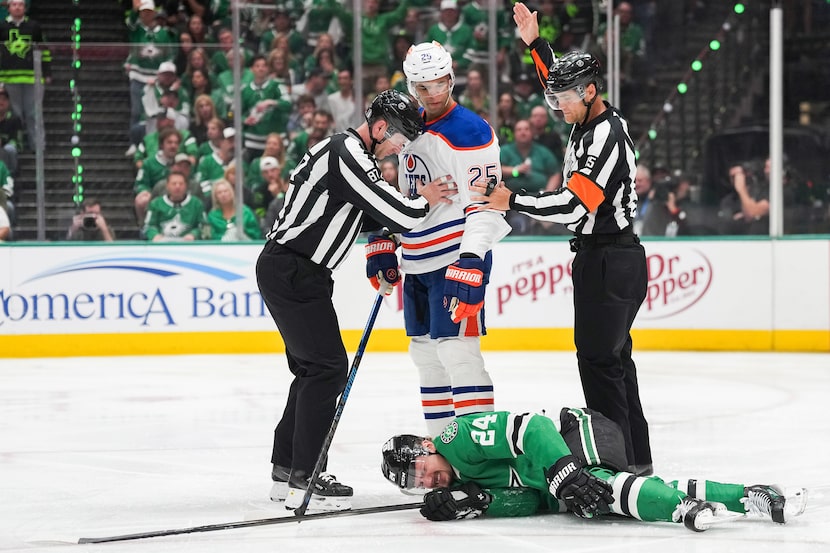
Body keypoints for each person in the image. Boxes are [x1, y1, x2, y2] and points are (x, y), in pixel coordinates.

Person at [472, 3, 653, 476]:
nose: (558, 107)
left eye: (564, 100)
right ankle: (636, 461)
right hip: (607, 258)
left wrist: (512, 199)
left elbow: (575, 206)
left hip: (610, 260)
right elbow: (557, 78)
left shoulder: (605, 137)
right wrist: (535, 43)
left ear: (590, 92)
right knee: (614, 362)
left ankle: (614, 466)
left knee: (599, 362)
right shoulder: (587, 117)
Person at [255, 90, 454, 513]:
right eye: (399, 139)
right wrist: (427, 198)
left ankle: (287, 470)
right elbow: (399, 213)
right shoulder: (346, 152)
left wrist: (383, 247)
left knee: (312, 370)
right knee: (326, 370)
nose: (400, 148)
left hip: (298, 272)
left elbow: (369, 214)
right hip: (292, 270)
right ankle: (305, 476)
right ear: (379, 127)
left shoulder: (351, 157)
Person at [380, 409, 808, 531]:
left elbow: (534, 427)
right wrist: (482, 504)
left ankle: (680, 509)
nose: (426, 481)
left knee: (595, 488)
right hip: (563, 462)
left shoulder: (457, 437)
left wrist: (565, 472)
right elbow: (536, 501)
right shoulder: (462, 480)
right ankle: (747, 495)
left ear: (426, 446)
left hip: (576, 430)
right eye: (416, 484)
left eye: (420, 469)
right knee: (598, 499)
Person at [389, 41, 511, 437]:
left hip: (454, 259)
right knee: (425, 357)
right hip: (416, 260)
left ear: (451, 78)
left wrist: (472, 259)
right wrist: (387, 238)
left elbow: (486, 204)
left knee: (459, 354)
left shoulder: (470, 131)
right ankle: (443, 447)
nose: (432, 94)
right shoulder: (408, 125)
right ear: (411, 86)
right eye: (422, 87)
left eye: (439, 83)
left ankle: (478, 452)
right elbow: (403, 191)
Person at [0, 0, 50, 151]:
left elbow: (44, 50)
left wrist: (47, 72)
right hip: (9, 77)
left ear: (25, 8)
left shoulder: (34, 27)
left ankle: (38, 146)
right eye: (14, 5)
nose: (17, 8)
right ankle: (16, 143)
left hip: (32, 77)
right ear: (9, 8)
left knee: (34, 113)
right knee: (14, 114)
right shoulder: (2, 27)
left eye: (20, 5)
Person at [142, 169, 205, 241]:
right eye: (174, 183)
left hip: (189, 244)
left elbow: (205, 227)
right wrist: (154, 235)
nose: (177, 186)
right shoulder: (155, 204)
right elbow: (148, 226)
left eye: (181, 184)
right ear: (167, 186)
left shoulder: (197, 204)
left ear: (186, 186)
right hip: (162, 244)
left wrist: (194, 234)